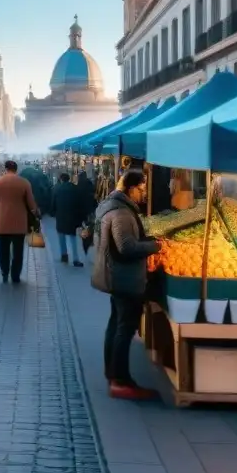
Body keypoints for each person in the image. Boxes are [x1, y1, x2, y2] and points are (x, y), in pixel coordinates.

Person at [91, 169, 160, 401]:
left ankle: (113, 374)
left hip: (115, 276)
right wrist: (155, 246)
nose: (144, 194)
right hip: (124, 279)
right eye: (142, 189)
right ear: (131, 188)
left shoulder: (110, 206)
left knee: (116, 325)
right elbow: (126, 247)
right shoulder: (121, 212)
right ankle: (120, 380)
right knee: (124, 328)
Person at [0, 160, 39, 284]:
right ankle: (15, 275)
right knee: (18, 252)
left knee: (3, 251)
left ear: (5, 169)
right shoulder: (24, 183)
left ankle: (4, 273)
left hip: (2, 224)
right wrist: (36, 214)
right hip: (19, 223)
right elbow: (31, 204)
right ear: (16, 169)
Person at [51, 173, 85, 267]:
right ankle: (75, 259)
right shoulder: (75, 188)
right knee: (73, 238)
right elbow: (80, 203)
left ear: (61, 179)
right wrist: (81, 217)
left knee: (61, 237)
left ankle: (64, 256)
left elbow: (53, 203)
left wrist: (53, 213)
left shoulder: (56, 189)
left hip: (60, 216)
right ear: (69, 179)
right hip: (72, 216)